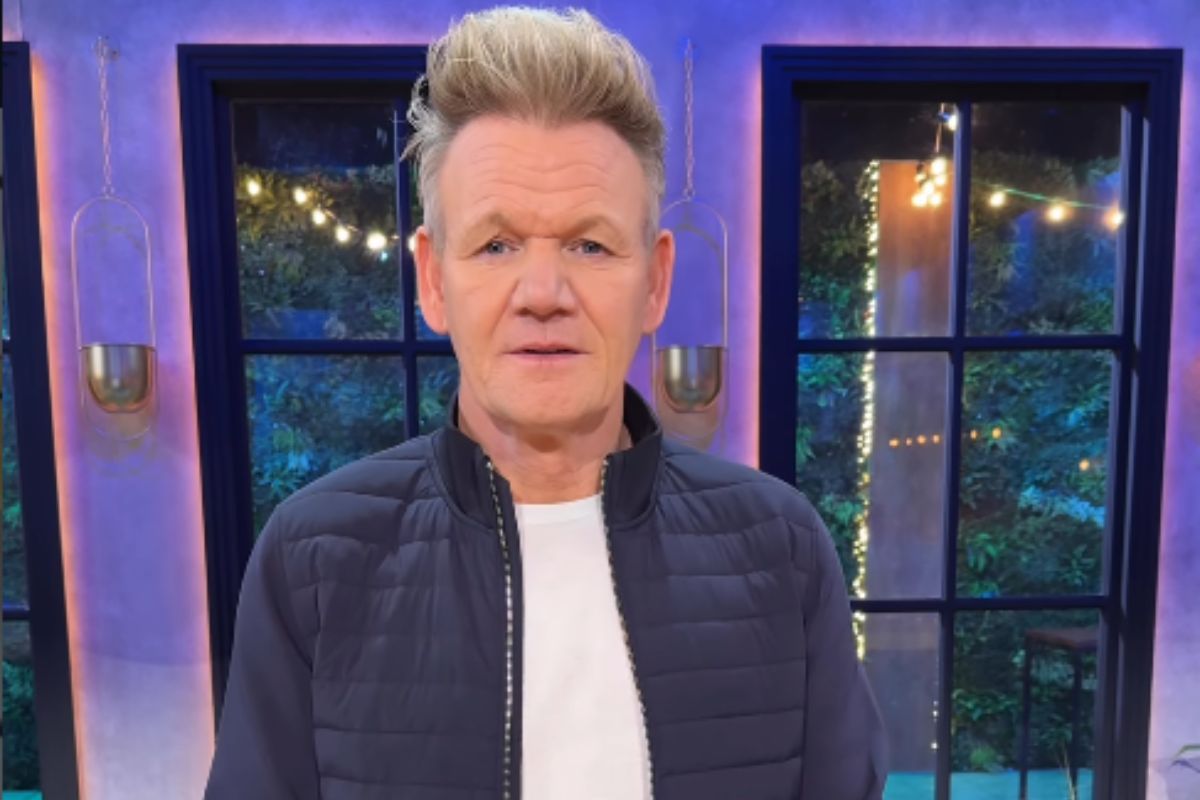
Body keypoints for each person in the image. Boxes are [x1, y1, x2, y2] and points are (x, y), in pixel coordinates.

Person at [205, 7, 887, 799]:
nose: (542, 293)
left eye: (589, 245)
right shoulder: (314, 559)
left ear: (655, 280)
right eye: (496, 245)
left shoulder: (781, 549)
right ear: (433, 279)